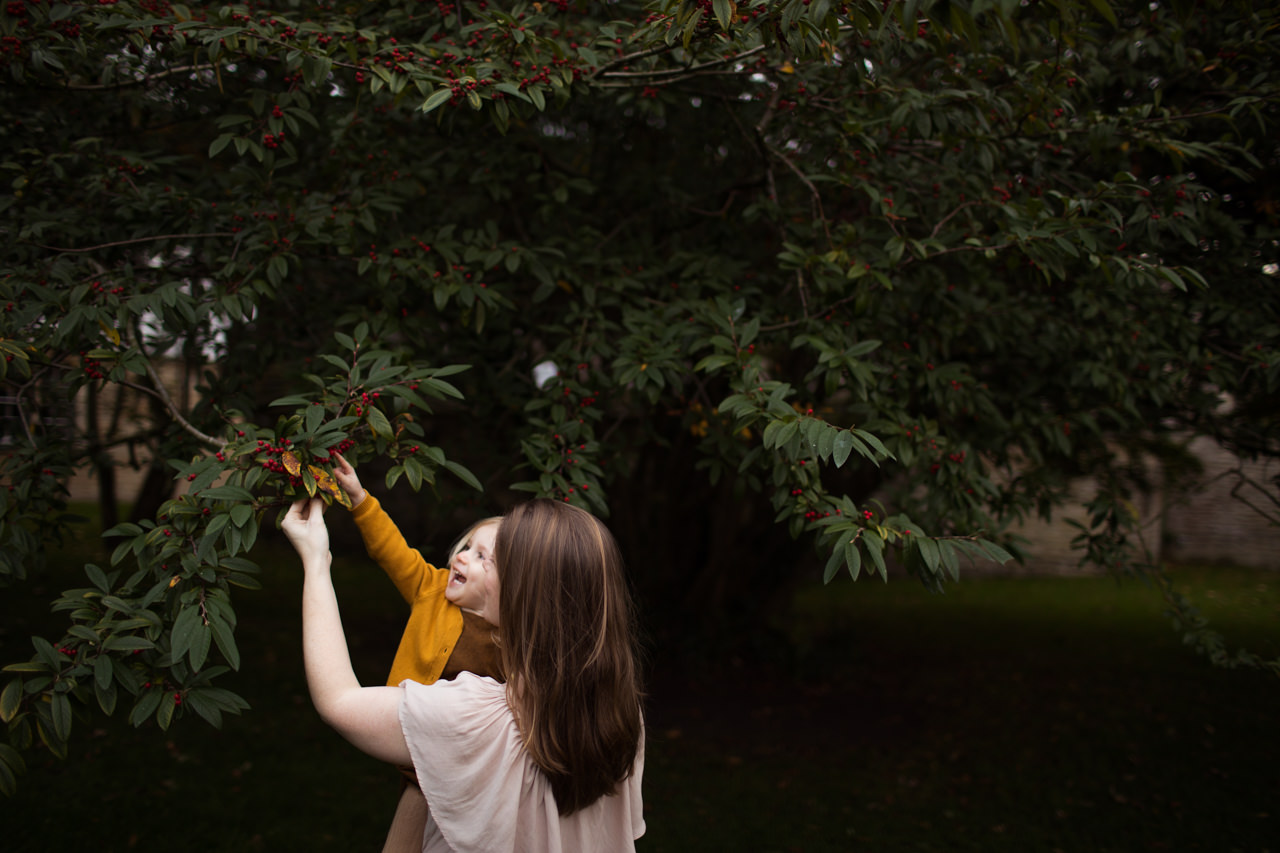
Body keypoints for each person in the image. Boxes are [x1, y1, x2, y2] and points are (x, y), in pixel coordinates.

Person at [282, 496, 646, 852]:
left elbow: (339, 701)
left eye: (492, 560)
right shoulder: (620, 715)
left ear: (526, 598)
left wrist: (317, 561)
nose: (466, 558)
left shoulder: (478, 719)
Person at [329, 456, 505, 851]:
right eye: (467, 547)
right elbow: (392, 551)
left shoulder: (512, 640)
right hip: (415, 762)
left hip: (464, 778)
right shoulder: (431, 590)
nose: (462, 557)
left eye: (482, 558)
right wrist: (359, 499)